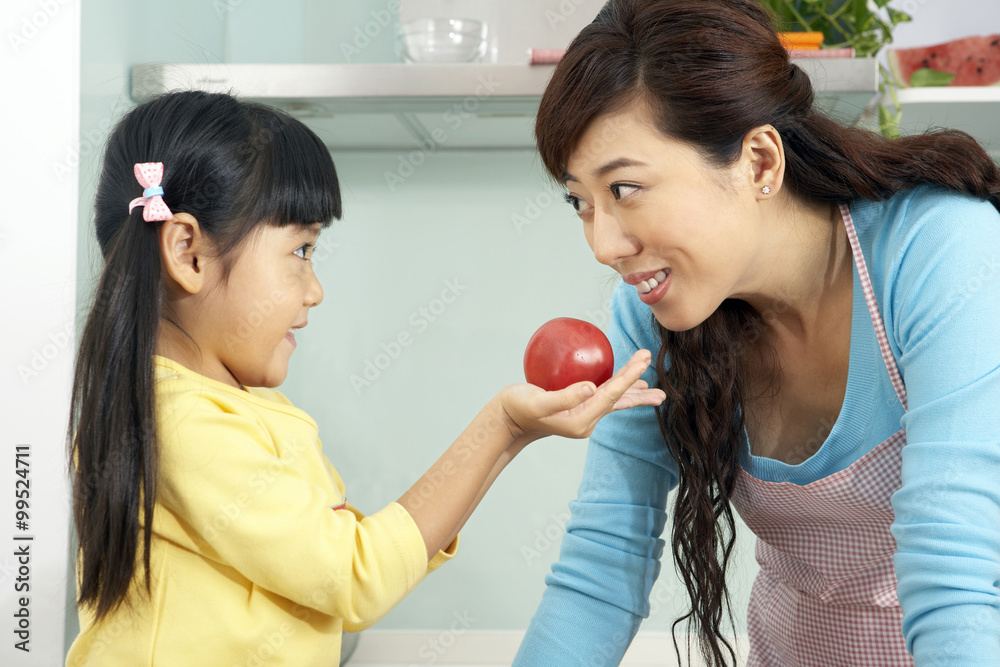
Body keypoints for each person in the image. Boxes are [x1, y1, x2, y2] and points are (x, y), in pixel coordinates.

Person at [65, 90, 665, 666]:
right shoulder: (187, 425)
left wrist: (511, 430)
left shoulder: (203, 412)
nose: (316, 290)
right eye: (300, 251)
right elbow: (355, 576)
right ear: (189, 253)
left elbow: (337, 571)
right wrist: (504, 426)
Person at [512, 1, 1000, 665]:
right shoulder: (653, 315)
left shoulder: (938, 249)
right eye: (581, 202)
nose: (602, 243)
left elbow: (955, 578)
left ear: (760, 162)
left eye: (623, 189)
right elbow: (602, 566)